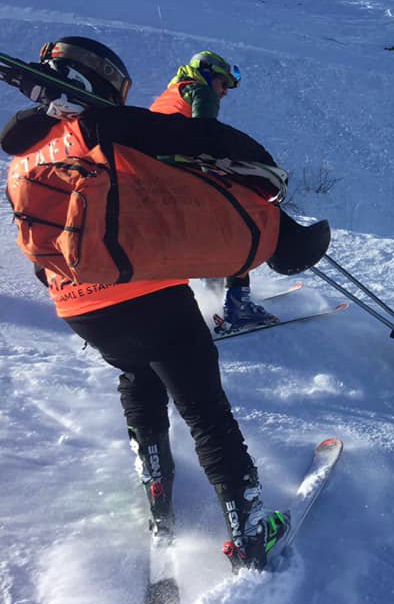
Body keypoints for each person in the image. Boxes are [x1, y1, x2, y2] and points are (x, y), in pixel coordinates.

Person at [1, 36, 288, 570]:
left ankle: (157, 489)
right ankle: (249, 528)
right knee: (204, 407)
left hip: (78, 306)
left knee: (138, 375)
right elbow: (201, 142)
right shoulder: (107, 128)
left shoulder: (25, 155)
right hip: (146, 293)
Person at [149, 50, 277, 332]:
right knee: (241, 227)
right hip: (180, 182)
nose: (224, 93)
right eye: (222, 83)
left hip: (154, 184)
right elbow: (205, 137)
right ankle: (237, 305)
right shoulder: (201, 92)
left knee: (203, 237)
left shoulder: (169, 96)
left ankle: (214, 290)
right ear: (206, 73)